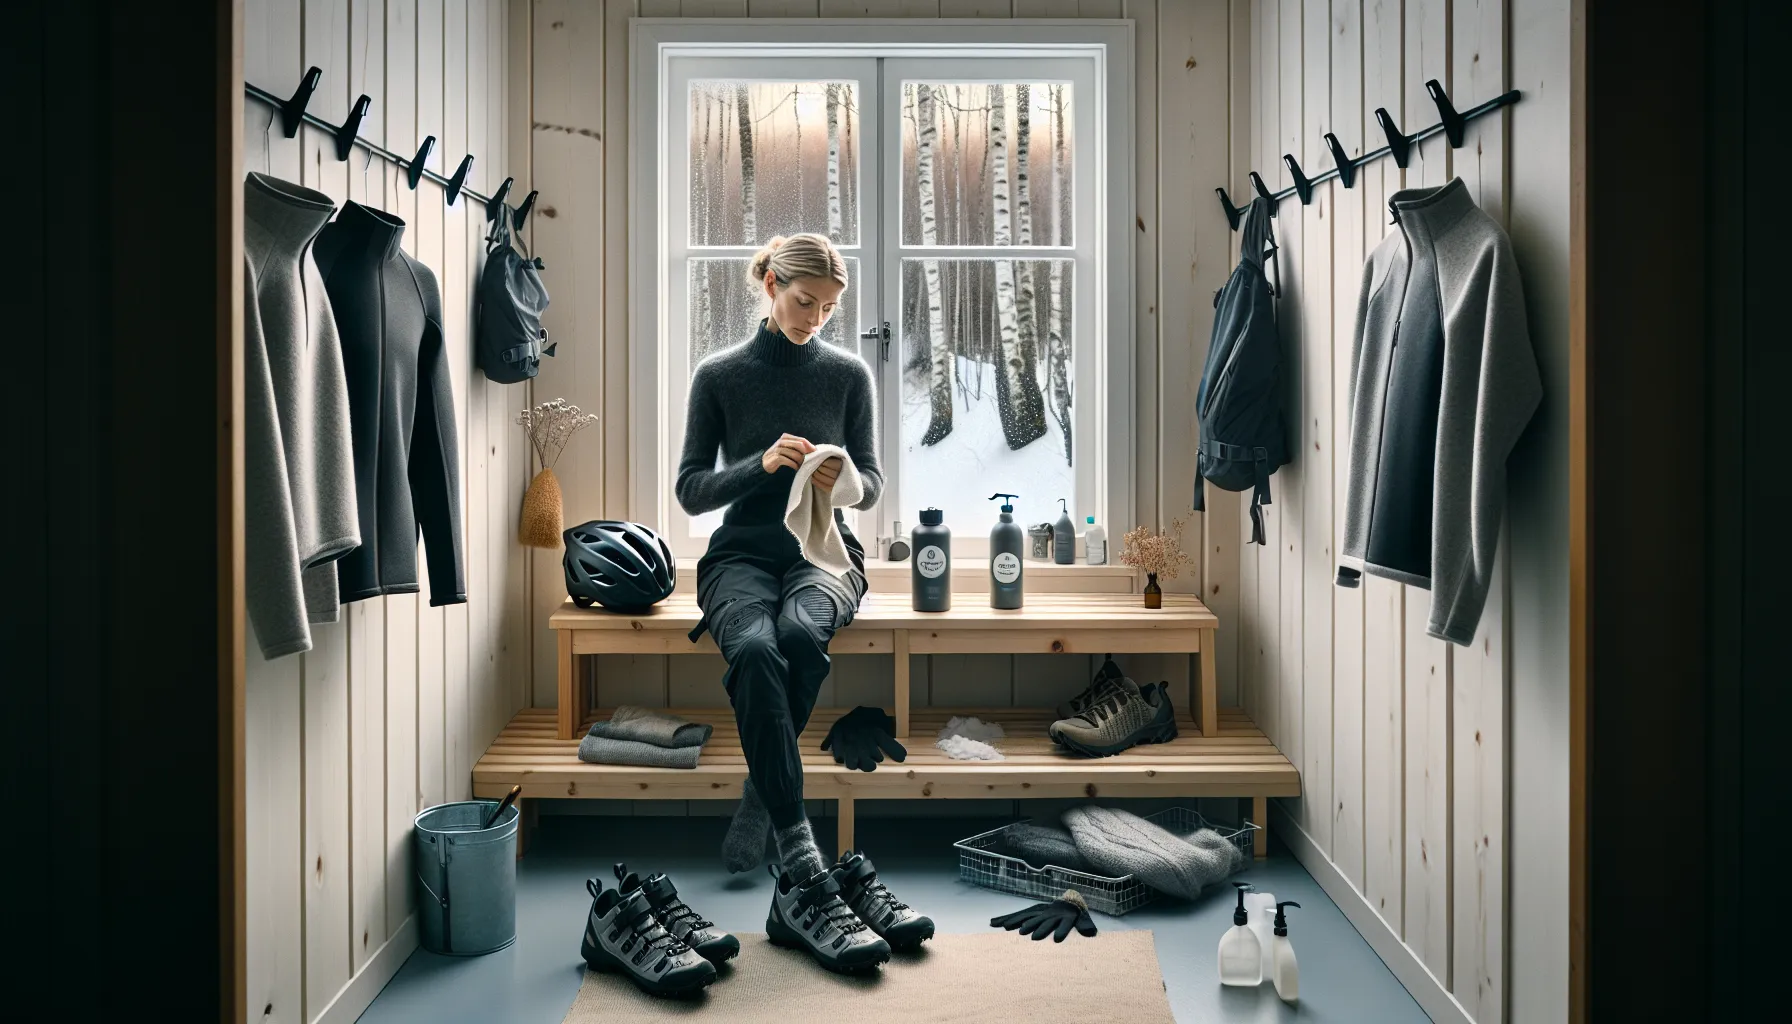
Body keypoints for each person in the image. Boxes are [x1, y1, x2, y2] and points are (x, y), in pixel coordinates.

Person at [676, 233, 905, 970]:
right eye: (805, 301)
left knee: (801, 637)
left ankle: (760, 795)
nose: (816, 319)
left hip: (825, 554)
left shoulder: (847, 376)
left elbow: (872, 481)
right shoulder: (719, 376)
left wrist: (842, 480)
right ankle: (797, 839)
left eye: (829, 308)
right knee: (750, 646)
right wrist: (759, 465)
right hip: (739, 553)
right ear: (771, 284)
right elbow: (689, 490)